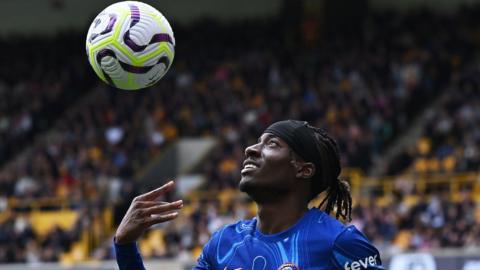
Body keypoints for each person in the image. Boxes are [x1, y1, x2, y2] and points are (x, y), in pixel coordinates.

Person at [114, 120, 384, 269]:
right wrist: (126, 248)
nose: (250, 150)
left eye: (272, 144)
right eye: (257, 142)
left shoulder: (338, 241)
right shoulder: (223, 244)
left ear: (304, 170)